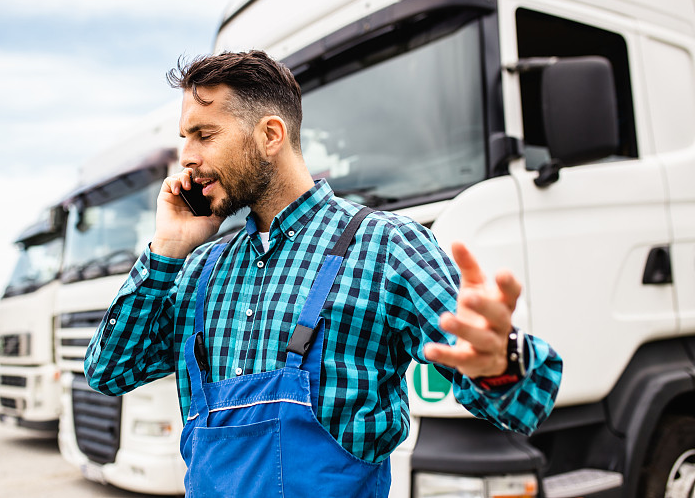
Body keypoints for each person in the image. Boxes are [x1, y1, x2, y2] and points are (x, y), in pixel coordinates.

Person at [85, 50, 562, 497]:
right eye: (184, 138)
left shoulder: (385, 246)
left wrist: (501, 362)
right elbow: (108, 372)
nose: (186, 157)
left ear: (271, 135)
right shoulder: (199, 271)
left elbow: (524, 401)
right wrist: (165, 251)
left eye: (204, 135)